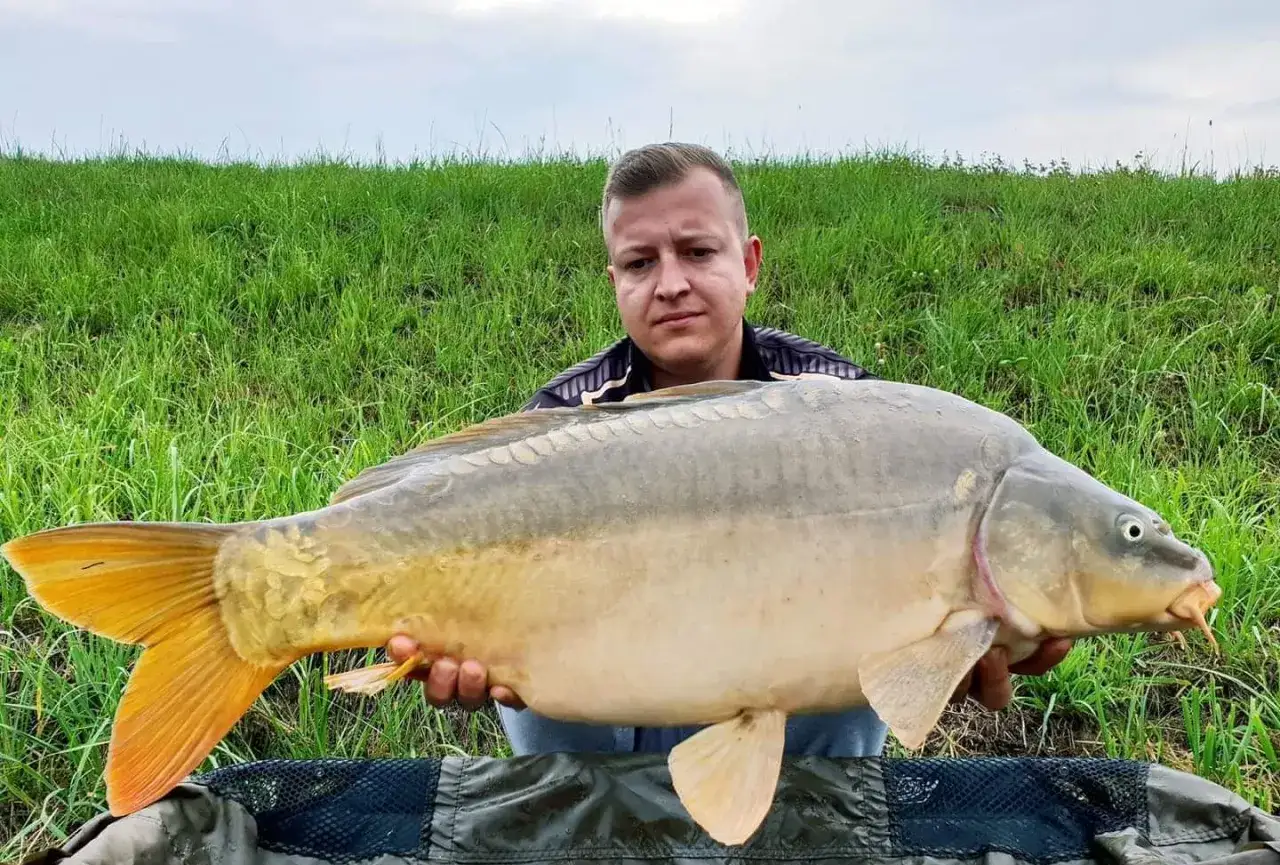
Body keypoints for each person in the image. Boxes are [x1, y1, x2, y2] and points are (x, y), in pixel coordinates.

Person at [384, 141, 1072, 756]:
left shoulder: (851, 409)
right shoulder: (564, 420)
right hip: (614, 697)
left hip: (790, 694)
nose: (671, 283)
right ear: (615, 283)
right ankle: (595, 842)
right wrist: (456, 646)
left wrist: (955, 646)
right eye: (639, 262)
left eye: (698, 252)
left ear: (749, 264)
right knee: (540, 675)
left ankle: (806, 835)